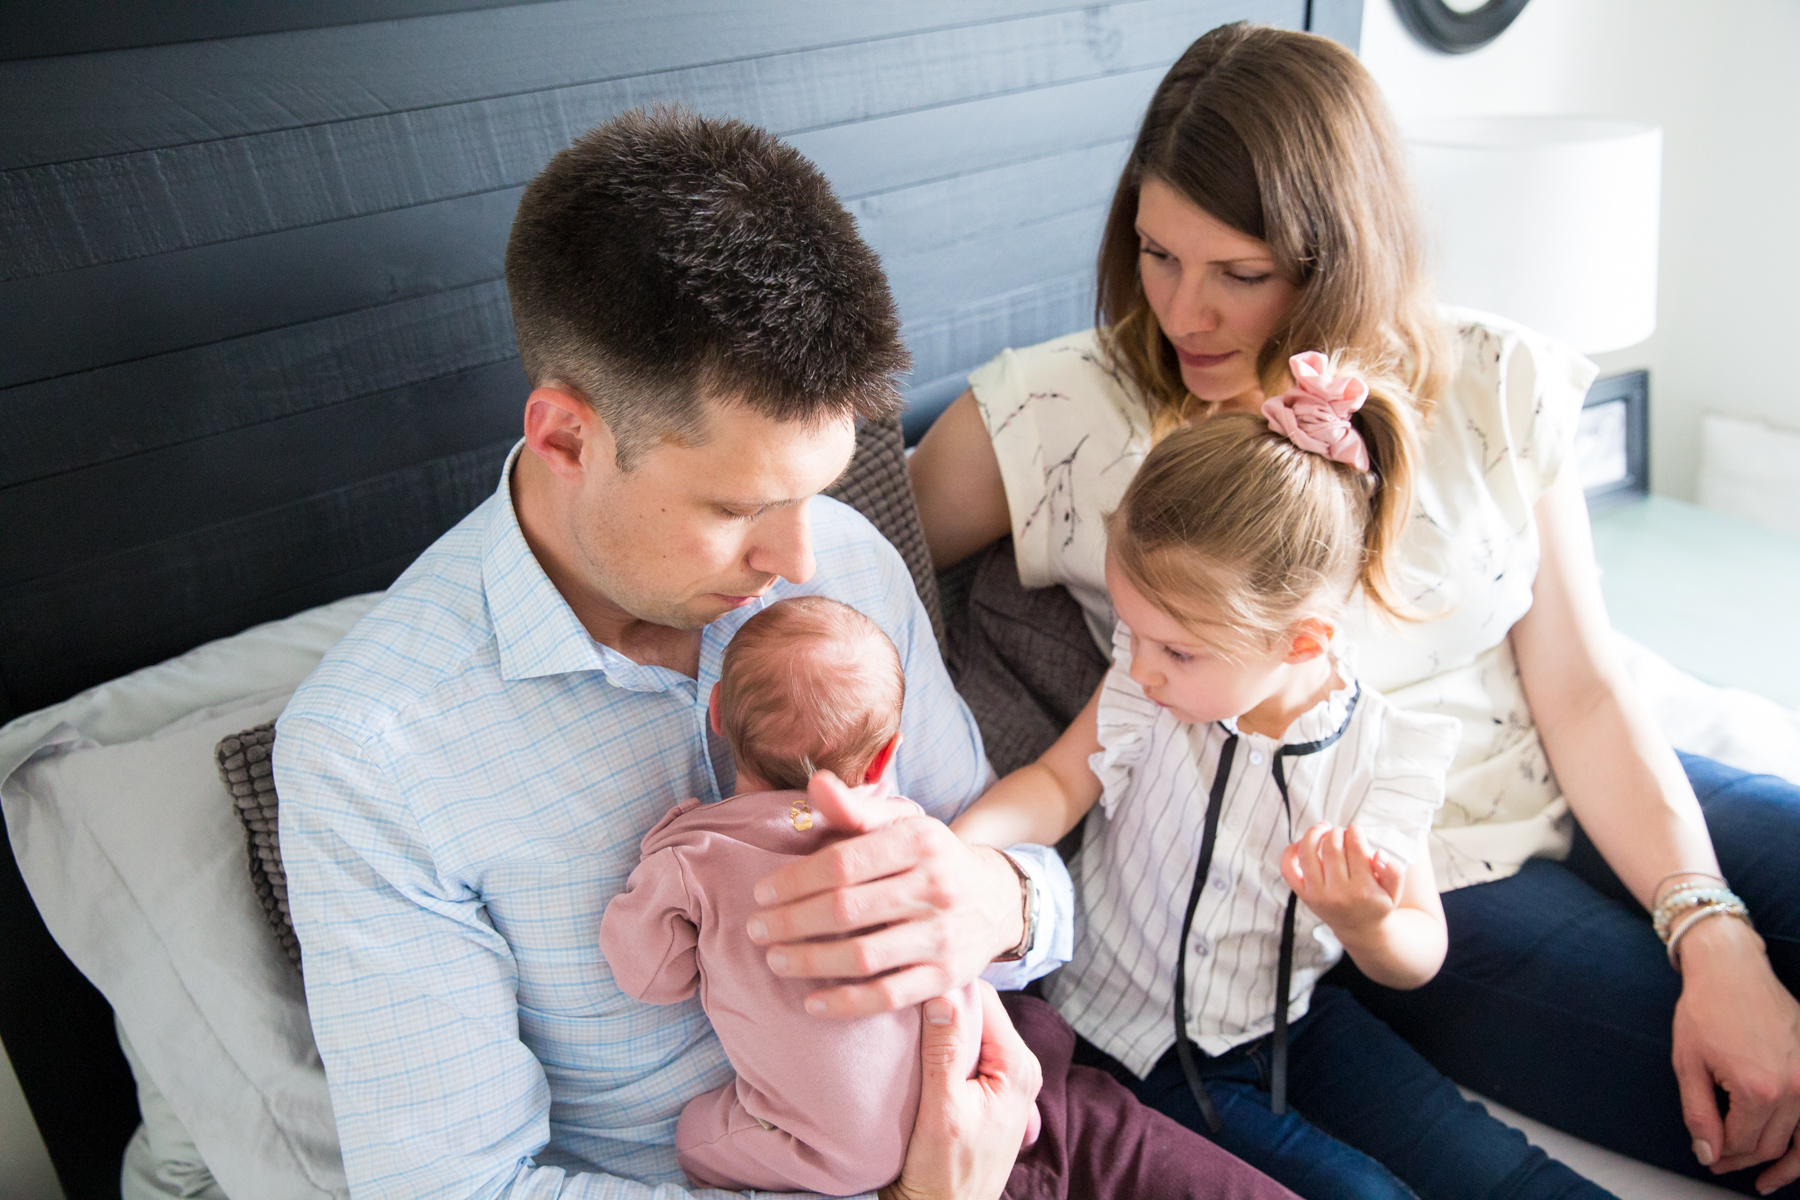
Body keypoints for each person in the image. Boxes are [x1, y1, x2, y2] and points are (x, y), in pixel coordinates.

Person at [908, 22, 1800, 1198]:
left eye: (1240, 274)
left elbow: (1585, 690)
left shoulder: (1493, 376)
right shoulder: (1060, 410)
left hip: (1597, 773)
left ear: (1340, 255)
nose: (1185, 313)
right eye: (1158, 254)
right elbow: (844, 543)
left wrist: (1712, 927)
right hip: (1417, 870)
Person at [274, 108, 1057, 1200]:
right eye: (738, 508)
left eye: (815, 492)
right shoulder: (371, 758)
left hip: (1015, 1106)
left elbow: (1004, 856)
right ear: (566, 438)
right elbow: (460, 1191)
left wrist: (1001, 904)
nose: (798, 559)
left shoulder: (843, 559)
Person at [951, 363, 1614, 1199]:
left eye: (1177, 650)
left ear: (1302, 643)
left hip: (1286, 1020)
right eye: (1134, 632)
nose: (1142, 667)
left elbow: (1421, 949)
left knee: (1495, 1169)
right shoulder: (1148, 687)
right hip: (1130, 1040)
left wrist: (1367, 923)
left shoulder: (1384, 755)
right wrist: (956, 849)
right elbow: (1056, 786)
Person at [602, 595, 1297, 1200]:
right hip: (988, 1089)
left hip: (857, 1151)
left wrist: (664, 865)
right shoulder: (906, 830)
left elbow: (649, 976)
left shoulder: (696, 856)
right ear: (885, 758)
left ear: (717, 715)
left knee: (695, 1137)